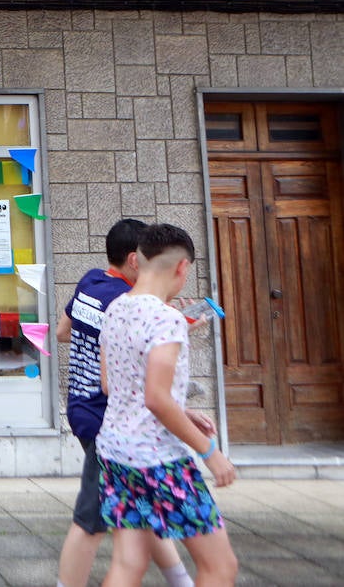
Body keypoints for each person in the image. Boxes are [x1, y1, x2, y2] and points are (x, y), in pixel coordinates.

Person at [97, 224, 238, 587]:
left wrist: (182, 409)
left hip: (116, 453)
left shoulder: (114, 309)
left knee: (128, 565)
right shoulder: (167, 319)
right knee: (220, 567)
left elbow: (113, 385)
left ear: (138, 261)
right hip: (159, 459)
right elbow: (156, 399)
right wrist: (209, 451)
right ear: (182, 268)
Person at [55, 219, 191, 587]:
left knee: (142, 511)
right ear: (134, 260)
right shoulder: (121, 302)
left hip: (80, 407)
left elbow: (62, 331)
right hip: (107, 421)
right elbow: (118, 379)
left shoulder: (89, 282)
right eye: (148, 259)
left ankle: (183, 581)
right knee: (91, 522)